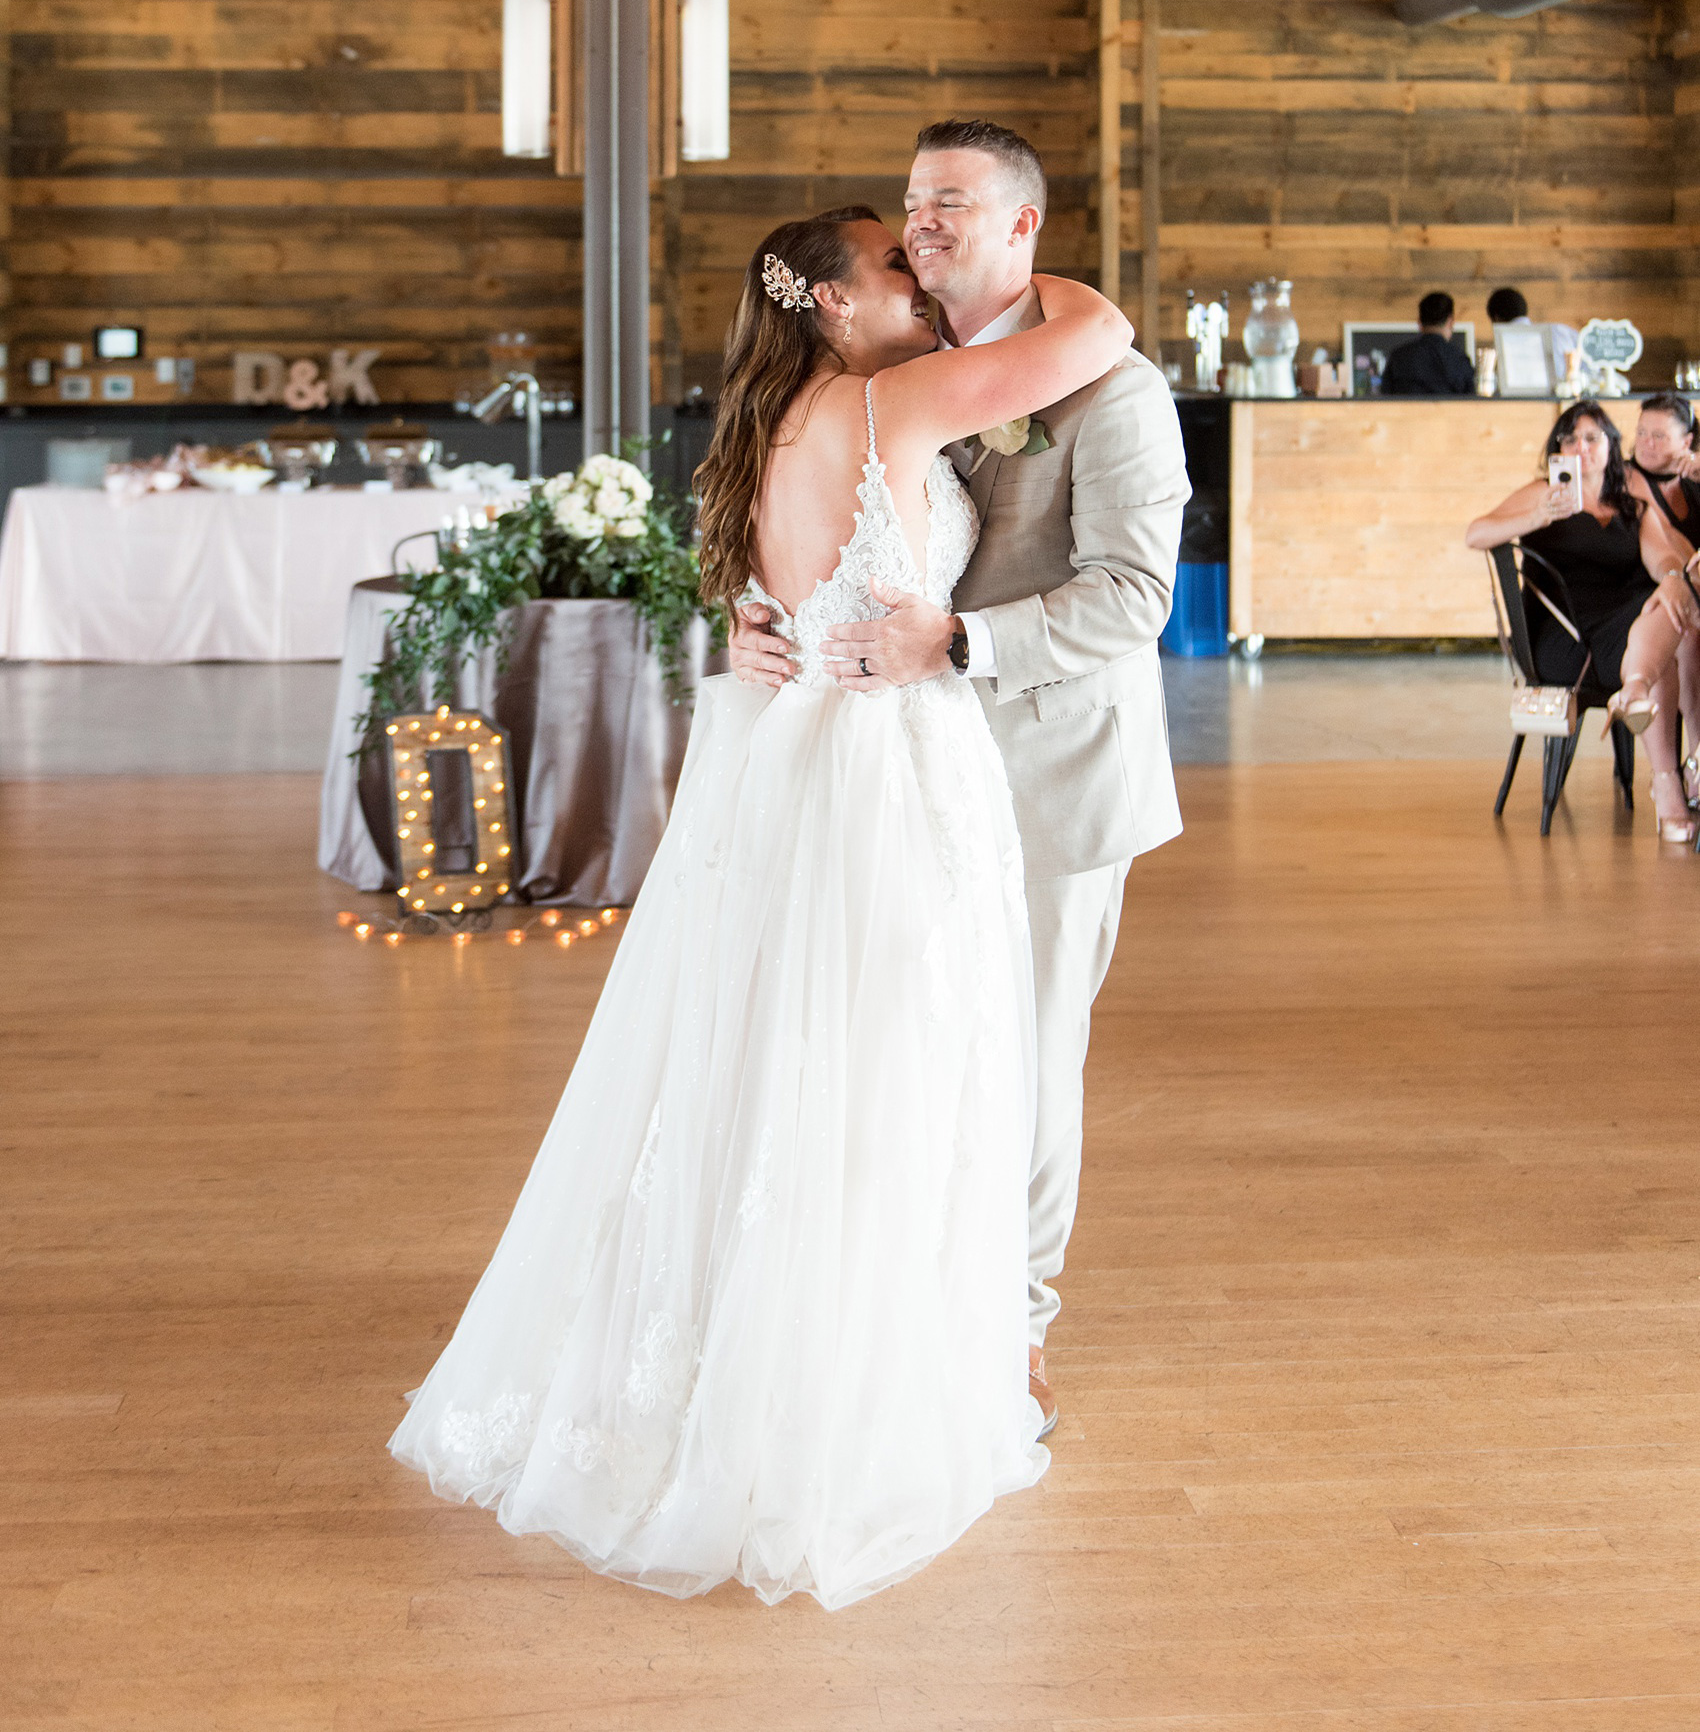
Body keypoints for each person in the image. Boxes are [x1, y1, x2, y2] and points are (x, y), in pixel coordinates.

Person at [389, 204, 1135, 1607]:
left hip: (791, 770)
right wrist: (1021, 260)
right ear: (839, 308)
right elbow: (1099, 333)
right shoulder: (884, 400)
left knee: (782, 1065)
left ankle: (755, 1358)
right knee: (900, 1066)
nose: (922, 283)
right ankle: (849, 1389)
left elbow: (748, 615)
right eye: (898, 266)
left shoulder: (759, 430)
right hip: (895, 771)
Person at [730, 120, 1190, 1438]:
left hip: (1048, 766)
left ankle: (1019, 1324)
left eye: (951, 204)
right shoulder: (906, 365)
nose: (924, 223)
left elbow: (1133, 595)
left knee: (1030, 1057)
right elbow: (833, 524)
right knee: (916, 1044)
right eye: (915, 202)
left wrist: (964, 639)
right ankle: (911, 1296)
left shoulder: (1118, 390)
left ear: (1024, 226)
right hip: (911, 770)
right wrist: (761, 611)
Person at [1465, 399, 1700, 841]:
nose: (1581, 447)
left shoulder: (1629, 502)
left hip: (1625, 629)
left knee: (1670, 605)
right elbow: (1475, 533)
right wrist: (1540, 515)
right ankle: (1675, 776)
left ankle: (1637, 699)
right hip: (1564, 639)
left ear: (1612, 446)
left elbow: (1663, 555)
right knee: (1666, 631)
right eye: (1569, 438)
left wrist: (1671, 577)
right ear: (1557, 449)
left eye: (1592, 438)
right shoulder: (1543, 494)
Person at [1628, 392, 1700, 800]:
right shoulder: (1629, 480)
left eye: (1658, 435)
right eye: (1641, 433)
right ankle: (1691, 764)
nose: (1645, 443)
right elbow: (1673, 552)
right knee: (1687, 628)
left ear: (1687, 441)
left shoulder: (1693, 481)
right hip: (1651, 601)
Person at [1379, 290, 1476, 397]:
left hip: (1407, 413)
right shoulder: (1459, 358)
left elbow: (1385, 397)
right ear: (1450, 321)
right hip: (1449, 414)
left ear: (1419, 322)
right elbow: (1471, 402)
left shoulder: (1399, 357)